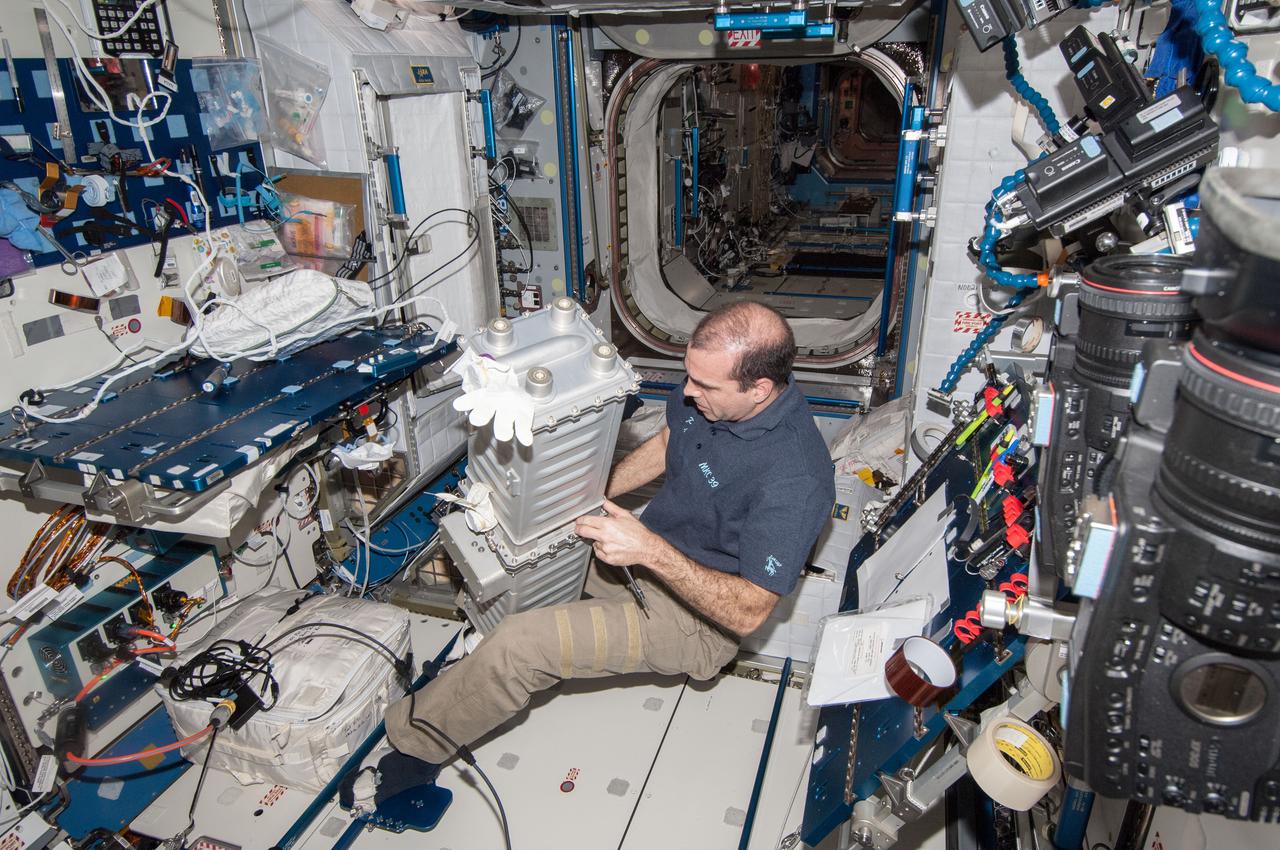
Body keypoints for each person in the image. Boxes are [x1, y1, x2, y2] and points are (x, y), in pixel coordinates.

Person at [381, 301, 836, 785]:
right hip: (643, 559)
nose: (686, 392)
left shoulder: (797, 479)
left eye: (704, 386)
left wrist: (649, 550)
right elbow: (667, 445)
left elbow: (748, 611)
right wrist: (582, 499)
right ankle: (470, 662)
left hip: (693, 622)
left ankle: (415, 744)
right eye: (688, 376)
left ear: (759, 389)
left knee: (521, 647)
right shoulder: (707, 396)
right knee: (515, 556)